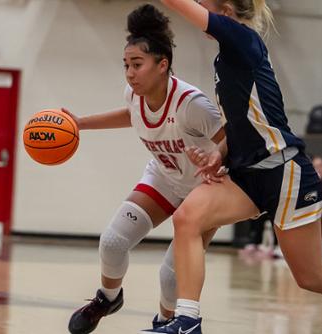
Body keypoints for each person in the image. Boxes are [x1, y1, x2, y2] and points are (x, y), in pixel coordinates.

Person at [142, 1, 322, 333]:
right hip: (248, 174)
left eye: (206, 3)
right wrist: (219, 152)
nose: (200, 6)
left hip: (284, 171)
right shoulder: (225, 55)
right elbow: (243, 122)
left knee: (310, 276)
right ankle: (187, 321)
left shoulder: (241, 37)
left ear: (226, 11)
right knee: (188, 217)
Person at [65, 4, 225, 334]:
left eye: (137, 64)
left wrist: (215, 161)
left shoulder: (192, 105)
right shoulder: (134, 94)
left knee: (170, 275)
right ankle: (108, 298)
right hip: (165, 178)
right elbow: (131, 115)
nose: (129, 72)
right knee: (112, 242)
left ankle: (166, 323)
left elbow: (232, 140)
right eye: (126, 65)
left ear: (162, 64)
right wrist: (80, 124)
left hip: (204, 187)